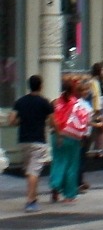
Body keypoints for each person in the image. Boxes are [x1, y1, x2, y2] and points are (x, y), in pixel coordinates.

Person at [7, 74, 53, 212]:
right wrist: (58, 132)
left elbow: (11, 121)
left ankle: (33, 197)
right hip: (38, 140)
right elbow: (52, 120)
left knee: (30, 171)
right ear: (41, 86)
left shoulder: (20, 102)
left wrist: (20, 121)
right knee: (34, 171)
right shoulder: (44, 102)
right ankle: (30, 200)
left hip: (24, 140)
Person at [49, 74, 90, 203]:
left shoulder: (55, 103)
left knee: (58, 162)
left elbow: (50, 121)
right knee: (72, 166)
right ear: (74, 90)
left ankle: (55, 186)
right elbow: (84, 122)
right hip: (73, 138)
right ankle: (69, 195)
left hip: (57, 136)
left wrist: (57, 132)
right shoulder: (78, 104)